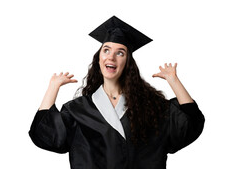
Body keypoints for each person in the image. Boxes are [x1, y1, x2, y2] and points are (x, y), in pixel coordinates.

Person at [29, 16, 205, 169]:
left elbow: (190, 125)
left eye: (120, 53)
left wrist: (174, 81)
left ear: (127, 62)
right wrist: (53, 87)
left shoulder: (151, 107)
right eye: (106, 50)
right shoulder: (77, 110)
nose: (111, 57)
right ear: (99, 59)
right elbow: (45, 135)